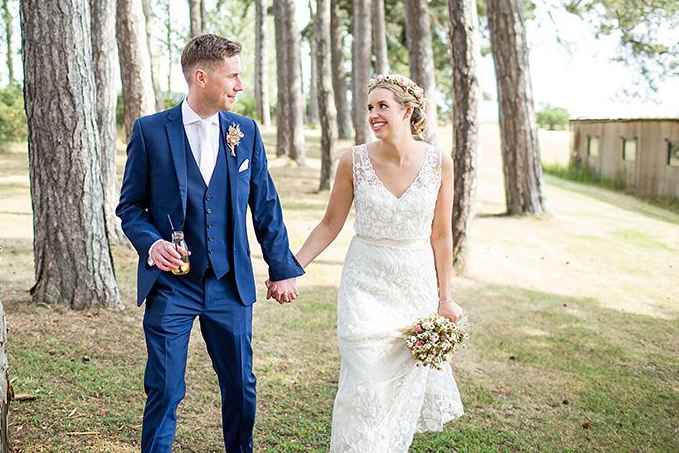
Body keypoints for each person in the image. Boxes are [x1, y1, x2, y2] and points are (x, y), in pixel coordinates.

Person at [116, 34, 304, 453]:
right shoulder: (150, 132)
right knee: (164, 387)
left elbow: (266, 205)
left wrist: (282, 269)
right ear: (201, 77)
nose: (240, 86)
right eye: (232, 76)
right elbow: (130, 207)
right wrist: (151, 245)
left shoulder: (246, 132)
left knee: (241, 386)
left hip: (228, 284)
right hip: (171, 286)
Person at [285, 73, 464, 452]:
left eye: (383, 106)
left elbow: (441, 234)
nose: (374, 114)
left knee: (399, 390)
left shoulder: (440, 163)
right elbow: (330, 223)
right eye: (370, 107)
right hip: (364, 283)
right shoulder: (353, 160)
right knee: (365, 384)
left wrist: (444, 297)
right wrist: (291, 266)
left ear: (407, 110)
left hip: (414, 285)